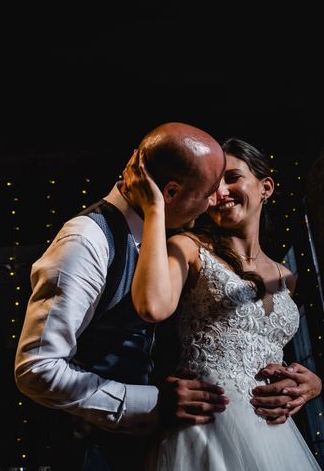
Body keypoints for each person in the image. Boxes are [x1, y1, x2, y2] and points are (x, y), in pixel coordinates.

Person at [14, 123, 321, 471]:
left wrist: (309, 381)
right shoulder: (90, 240)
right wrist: (153, 403)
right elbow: (37, 368)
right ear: (171, 191)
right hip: (101, 445)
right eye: (207, 190)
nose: (213, 200)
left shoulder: (152, 240)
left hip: (249, 435)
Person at [129, 137, 322, 469]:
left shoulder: (287, 278)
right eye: (211, 186)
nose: (219, 194)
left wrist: (311, 383)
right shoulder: (188, 248)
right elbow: (152, 306)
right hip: (207, 427)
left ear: (266, 187)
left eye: (232, 178)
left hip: (276, 437)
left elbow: (272, 356)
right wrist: (154, 210)